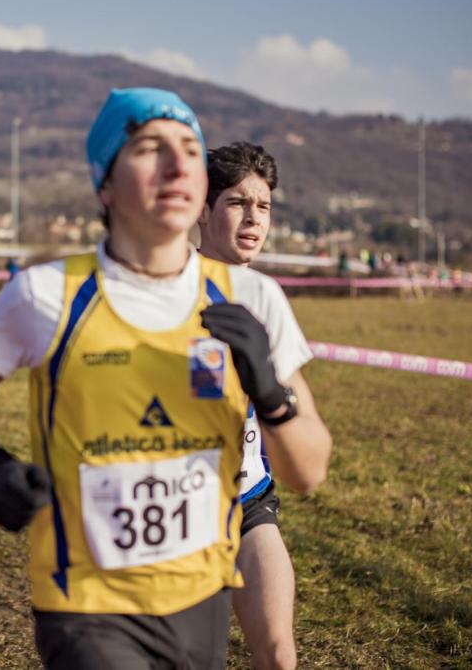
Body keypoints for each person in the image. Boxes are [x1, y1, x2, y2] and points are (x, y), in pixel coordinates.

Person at [0, 88, 332, 669]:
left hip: (200, 596)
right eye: (150, 149)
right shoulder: (46, 294)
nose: (175, 165)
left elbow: (309, 471)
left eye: (189, 150)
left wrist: (271, 392)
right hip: (86, 600)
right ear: (106, 183)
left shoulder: (254, 297)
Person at [198, 141, 307, 669]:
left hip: (249, 499)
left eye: (263, 205)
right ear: (202, 209)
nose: (253, 218)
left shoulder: (264, 296)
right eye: (238, 202)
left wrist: (272, 395)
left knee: (279, 652)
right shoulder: (160, 290)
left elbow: (308, 449)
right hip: (175, 511)